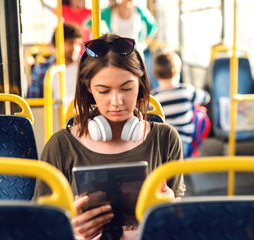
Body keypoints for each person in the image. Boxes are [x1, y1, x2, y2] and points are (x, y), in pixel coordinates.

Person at [33, 34, 186, 239]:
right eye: (104, 91)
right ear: (89, 89)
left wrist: (168, 212)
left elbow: (178, 228)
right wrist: (73, 232)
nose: (117, 101)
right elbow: (39, 228)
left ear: (140, 84)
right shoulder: (61, 146)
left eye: (127, 88)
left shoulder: (166, 139)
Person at [152, 50, 211, 158]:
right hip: (183, 144)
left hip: (160, 145)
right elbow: (206, 97)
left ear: (156, 75)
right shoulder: (186, 90)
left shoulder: (154, 97)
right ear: (175, 73)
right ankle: (193, 151)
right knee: (199, 113)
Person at [27, 23, 82, 105]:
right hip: (54, 116)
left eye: (78, 44)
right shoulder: (41, 69)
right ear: (57, 44)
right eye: (70, 43)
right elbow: (33, 101)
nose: (75, 48)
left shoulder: (84, 66)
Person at [86, 0, 157, 60]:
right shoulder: (109, 11)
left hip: (135, 54)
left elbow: (153, 26)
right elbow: (88, 24)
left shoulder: (139, 10)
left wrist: (144, 43)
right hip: (115, 55)